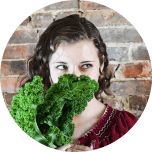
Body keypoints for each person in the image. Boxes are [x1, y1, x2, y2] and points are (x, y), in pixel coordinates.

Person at [23, 14, 137, 151]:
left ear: (100, 65)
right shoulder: (25, 127)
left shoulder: (127, 127)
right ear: (48, 68)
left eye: (86, 65)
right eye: (62, 67)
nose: (75, 76)